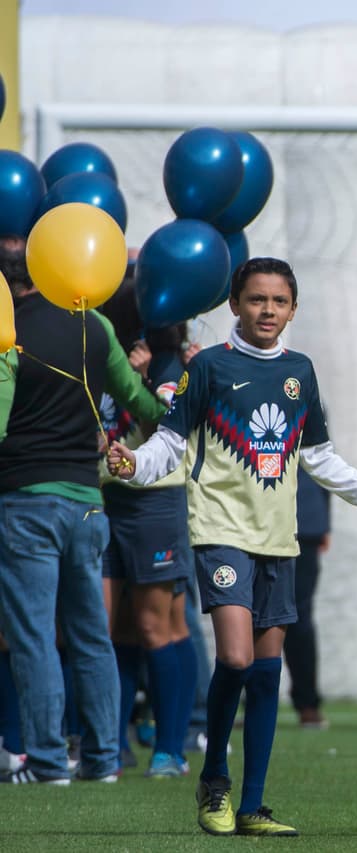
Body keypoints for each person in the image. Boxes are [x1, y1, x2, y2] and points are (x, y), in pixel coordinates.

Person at [108, 257, 357, 835]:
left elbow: (317, 457)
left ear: (292, 309)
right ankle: (214, 778)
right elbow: (170, 441)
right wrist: (134, 465)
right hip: (220, 533)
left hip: (276, 541)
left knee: (265, 673)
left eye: (279, 301)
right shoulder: (208, 367)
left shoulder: (300, 372)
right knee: (234, 657)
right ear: (235, 304)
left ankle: (253, 807)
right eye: (256, 299)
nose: (267, 311)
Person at [0, 242, 168, 784]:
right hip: (89, 507)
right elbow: (141, 405)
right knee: (92, 636)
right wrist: (178, 408)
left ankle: (48, 762)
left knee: (33, 637)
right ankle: (102, 760)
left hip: (26, 501)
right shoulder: (94, 325)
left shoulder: (9, 330)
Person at [97, 279, 201, 778]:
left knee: (158, 626)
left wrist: (143, 377)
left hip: (154, 503)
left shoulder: (165, 363)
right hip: (103, 498)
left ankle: (171, 746)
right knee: (112, 626)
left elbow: (168, 425)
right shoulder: (94, 353)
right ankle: (111, 745)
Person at [286, 467, 330, 730]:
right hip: (255, 520)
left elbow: (323, 458)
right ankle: (251, 695)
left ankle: (307, 703)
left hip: (304, 520)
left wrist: (323, 522)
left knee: (300, 617)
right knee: (251, 613)